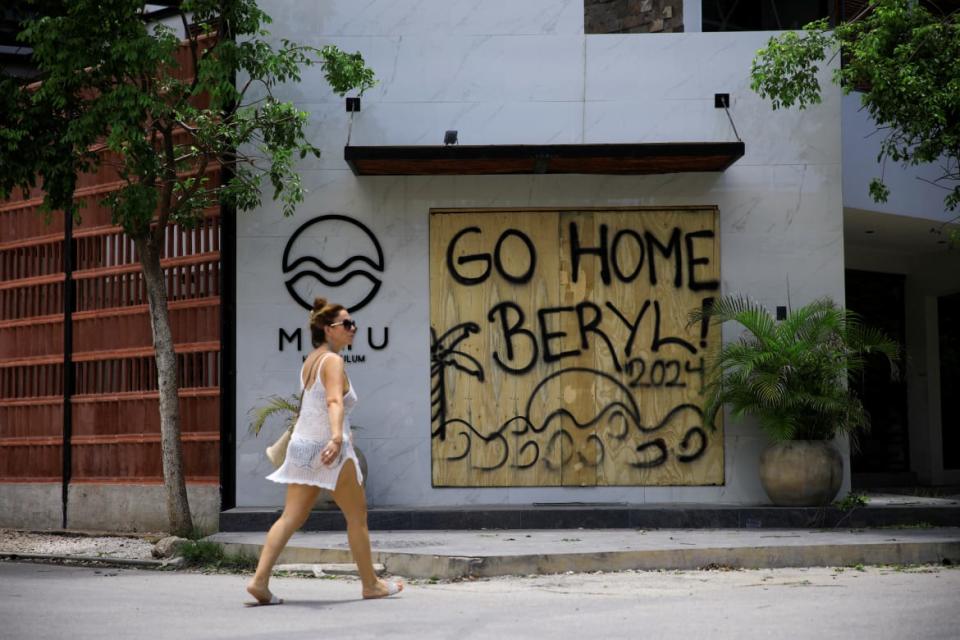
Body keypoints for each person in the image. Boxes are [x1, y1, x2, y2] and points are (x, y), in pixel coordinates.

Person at [246, 297, 403, 605]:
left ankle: (259, 581)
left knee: (291, 516)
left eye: (352, 322)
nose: (353, 328)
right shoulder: (332, 361)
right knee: (357, 516)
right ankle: (371, 584)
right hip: (330, 450)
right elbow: (334, 401)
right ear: (328, 330)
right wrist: (335, 438)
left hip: (303, 445)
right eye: (346, 324)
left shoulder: (311, 361)